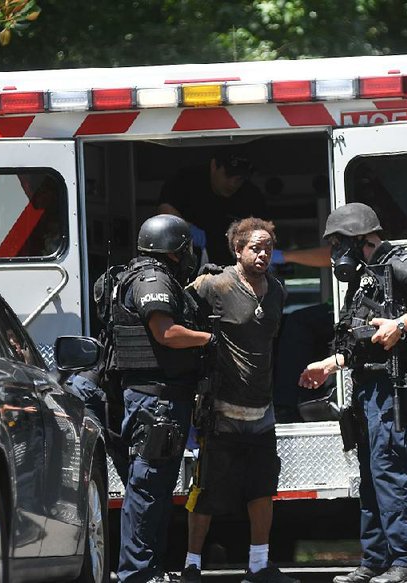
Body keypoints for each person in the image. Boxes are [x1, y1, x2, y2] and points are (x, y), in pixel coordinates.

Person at [298, 202, 407, 583]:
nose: (335, 254)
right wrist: (328, 365)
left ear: (360, 239)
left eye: (339, 244)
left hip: (395, 388)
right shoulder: (366, 277)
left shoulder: (398, 261)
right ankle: (374, 561)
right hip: (368, 389)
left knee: (389, 473)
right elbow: (361, 343)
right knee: (370, 476)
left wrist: (401, 324)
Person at [182, 217, 297, 583]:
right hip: (221, 412)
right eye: (255, 247)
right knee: (206, 491)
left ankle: (260, 566)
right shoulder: (214, 285)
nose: (263, 253)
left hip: (262, 412)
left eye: (267, 247)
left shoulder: (278, 291)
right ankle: (191, 566)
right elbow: (176, 312)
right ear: (238, 250)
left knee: (262, 490)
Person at [114, 214, 215, 583]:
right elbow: (166, 332)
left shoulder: (155, 276)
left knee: (155, 488)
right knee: (147, 489)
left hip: (161, 398)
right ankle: (137, 573)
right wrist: (208, 339)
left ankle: (149, 569)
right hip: (154, 401)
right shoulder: (151, 280)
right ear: (172, 247)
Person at [158, 149, 267, 266]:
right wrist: (185, 228)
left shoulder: (251, 195)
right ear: (214, 166)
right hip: (188, 263)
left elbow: (263, 232)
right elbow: (165, 210)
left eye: (239, 179)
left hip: (232, 266)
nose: (232, 183)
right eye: (228, 175)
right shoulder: (185, 181)